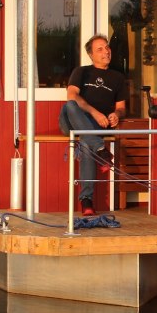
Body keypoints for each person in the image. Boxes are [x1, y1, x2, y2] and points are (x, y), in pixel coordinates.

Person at [59, 35, 129, 216]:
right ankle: (101, 148)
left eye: (107, 47)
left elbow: (121, 108)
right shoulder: (81, 71)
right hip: (72, 121)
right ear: (90, 55)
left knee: (86, 142)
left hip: (96, 127)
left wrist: (116, 115)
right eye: (100, 49)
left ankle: (86, 200)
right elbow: (72, 96)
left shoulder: (118, 77)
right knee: (70, 106)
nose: (106, 51)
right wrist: (94, 112)